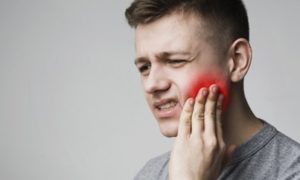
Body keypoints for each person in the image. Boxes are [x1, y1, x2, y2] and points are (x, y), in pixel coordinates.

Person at [125, 0, 300, 179]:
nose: (151, 84)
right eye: (145, 67)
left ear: (237, 60)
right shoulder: (149, 174)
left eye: (175, 61)